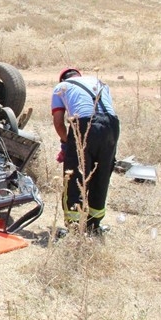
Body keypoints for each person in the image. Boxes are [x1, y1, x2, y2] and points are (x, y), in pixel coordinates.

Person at [52, 67, 120, 235]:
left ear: (63, 79)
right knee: (101, 174)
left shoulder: (61, 87)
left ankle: (73, 228)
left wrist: (67, 143)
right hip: (112, 125)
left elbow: (59, 123)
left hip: (84, 124)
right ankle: (94, 225)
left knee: (75, 176)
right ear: (79, 76)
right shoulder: (100, 83)